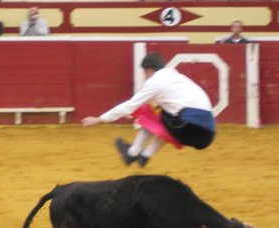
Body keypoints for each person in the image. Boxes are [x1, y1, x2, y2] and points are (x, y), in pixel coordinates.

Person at [82, 52, 215, 167]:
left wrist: (99, 119)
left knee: (151, 111)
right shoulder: (176, 77)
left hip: (189, 127)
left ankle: (132, 152)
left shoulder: (155, 82)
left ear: (149, 70)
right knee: (163, 115)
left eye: (145, 73)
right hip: (207, 135)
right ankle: (145, 155)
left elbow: (129, 106)